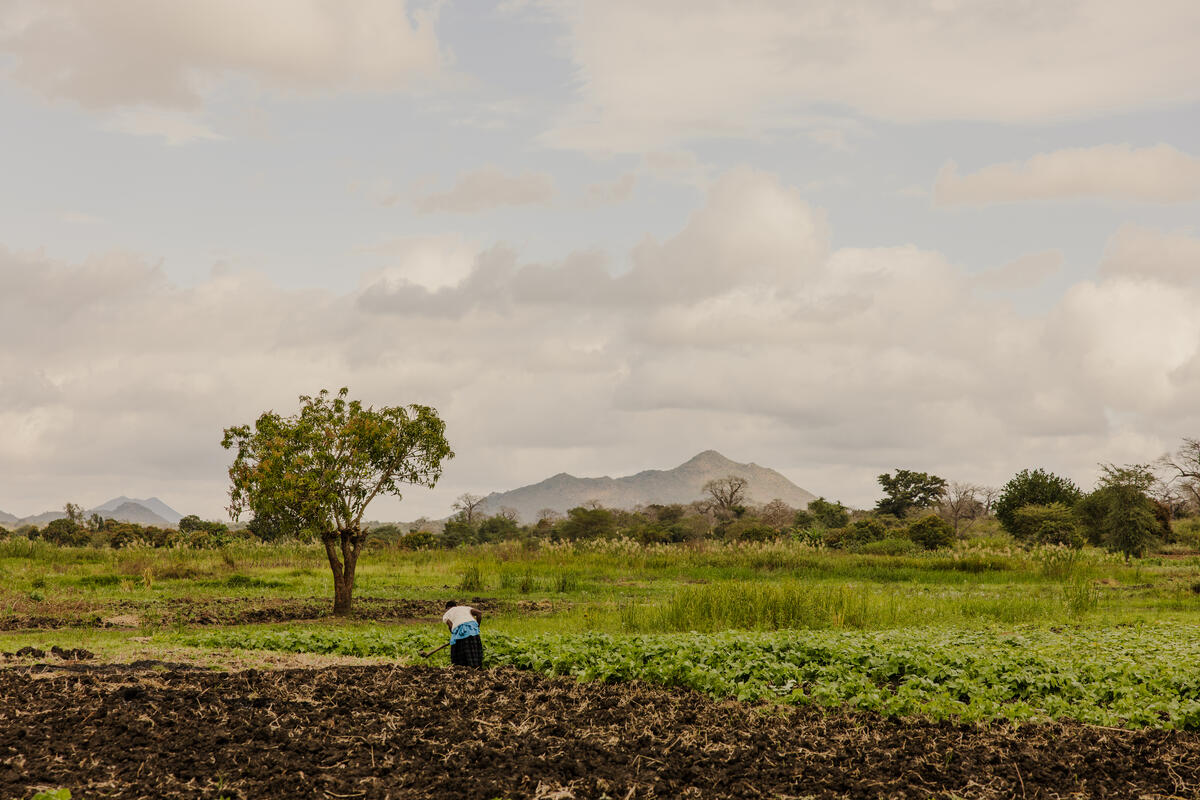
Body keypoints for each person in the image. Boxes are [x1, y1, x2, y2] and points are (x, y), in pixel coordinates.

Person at [441, 600, 484, 667]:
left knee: (459, 654)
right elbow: (479, 613)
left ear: (447, 608)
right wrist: (476, 626)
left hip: (461, 633)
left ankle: (461, 669)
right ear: (455, 606)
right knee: (474, 652)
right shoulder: (464, 608)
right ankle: (477, 669)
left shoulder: (447, 614)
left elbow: (450, 626)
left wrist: (454, 635)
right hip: (473, 631)